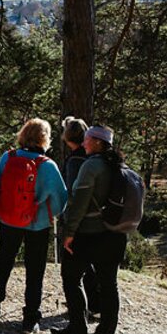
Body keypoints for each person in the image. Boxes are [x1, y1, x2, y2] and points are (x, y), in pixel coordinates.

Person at [0, 118, 67, 334]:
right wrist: (47, 213)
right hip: (37, 224)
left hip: (9, 220)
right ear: (44, 139)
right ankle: (30, 320)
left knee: (3, 263)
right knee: (35, 270)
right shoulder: (48, 166)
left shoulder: (7, 157)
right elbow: (60, 199)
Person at [51, 125, 127, 334]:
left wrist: (69, 232)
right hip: (115, 234)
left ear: (97, 142)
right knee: (109, 285)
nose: (83, 143)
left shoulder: (91, 166)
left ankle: (78, 330)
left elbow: (78, 202)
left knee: (71, 277)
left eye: (87, 139)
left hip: (89, 234)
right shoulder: (119, 165)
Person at [59, 117, 100, 314]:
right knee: (88, 262)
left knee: (74, 268)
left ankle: (81, 309)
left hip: (78, 220)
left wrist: (68, 222)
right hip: (94, 218)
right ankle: (94, 303)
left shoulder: (75, 160)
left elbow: (72, 192)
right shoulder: (91, 156)